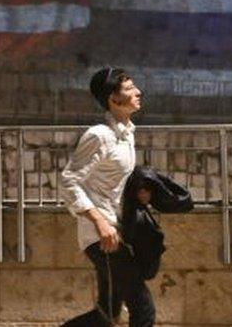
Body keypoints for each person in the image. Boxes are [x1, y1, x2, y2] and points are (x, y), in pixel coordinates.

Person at [60, 66, 153, 327]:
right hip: (102, 238)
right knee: (143, 308)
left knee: (107, 313)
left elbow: (111, 183)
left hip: (115, 232)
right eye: (129, 88)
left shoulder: (125, 135)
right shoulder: (99, 136)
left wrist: (139, 194)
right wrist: (99, 222)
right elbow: (68, 181)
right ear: (113, 99)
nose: (138, 92)